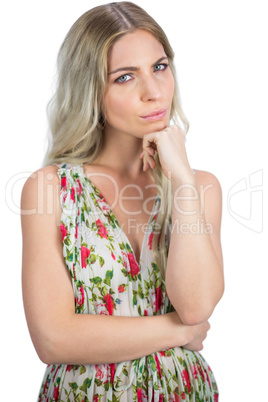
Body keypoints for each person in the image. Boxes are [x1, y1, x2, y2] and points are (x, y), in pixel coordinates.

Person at [21, 2, 224, 401]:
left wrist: (182, 180)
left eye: (160, 67)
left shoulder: (200, 188)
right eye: (125, 77)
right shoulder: (50, 189)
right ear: (90, 90)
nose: (153, 92)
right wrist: (178, 332)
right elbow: (53, 338)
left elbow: (196, 305)